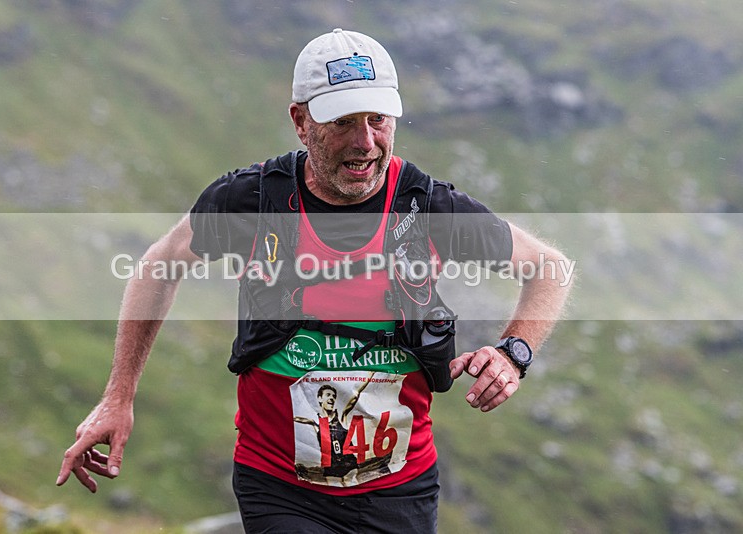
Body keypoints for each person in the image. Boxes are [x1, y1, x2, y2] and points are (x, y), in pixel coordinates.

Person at [56, 28, 571, 533]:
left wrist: (513, 353)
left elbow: (549, 269)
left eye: (377, 119)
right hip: (279, 487)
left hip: (401, 492)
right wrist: (118, 397)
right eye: (343, 122)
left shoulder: (429, 208)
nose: (365, 142)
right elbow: (157, 267)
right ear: (300, 122)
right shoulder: (250, 201)